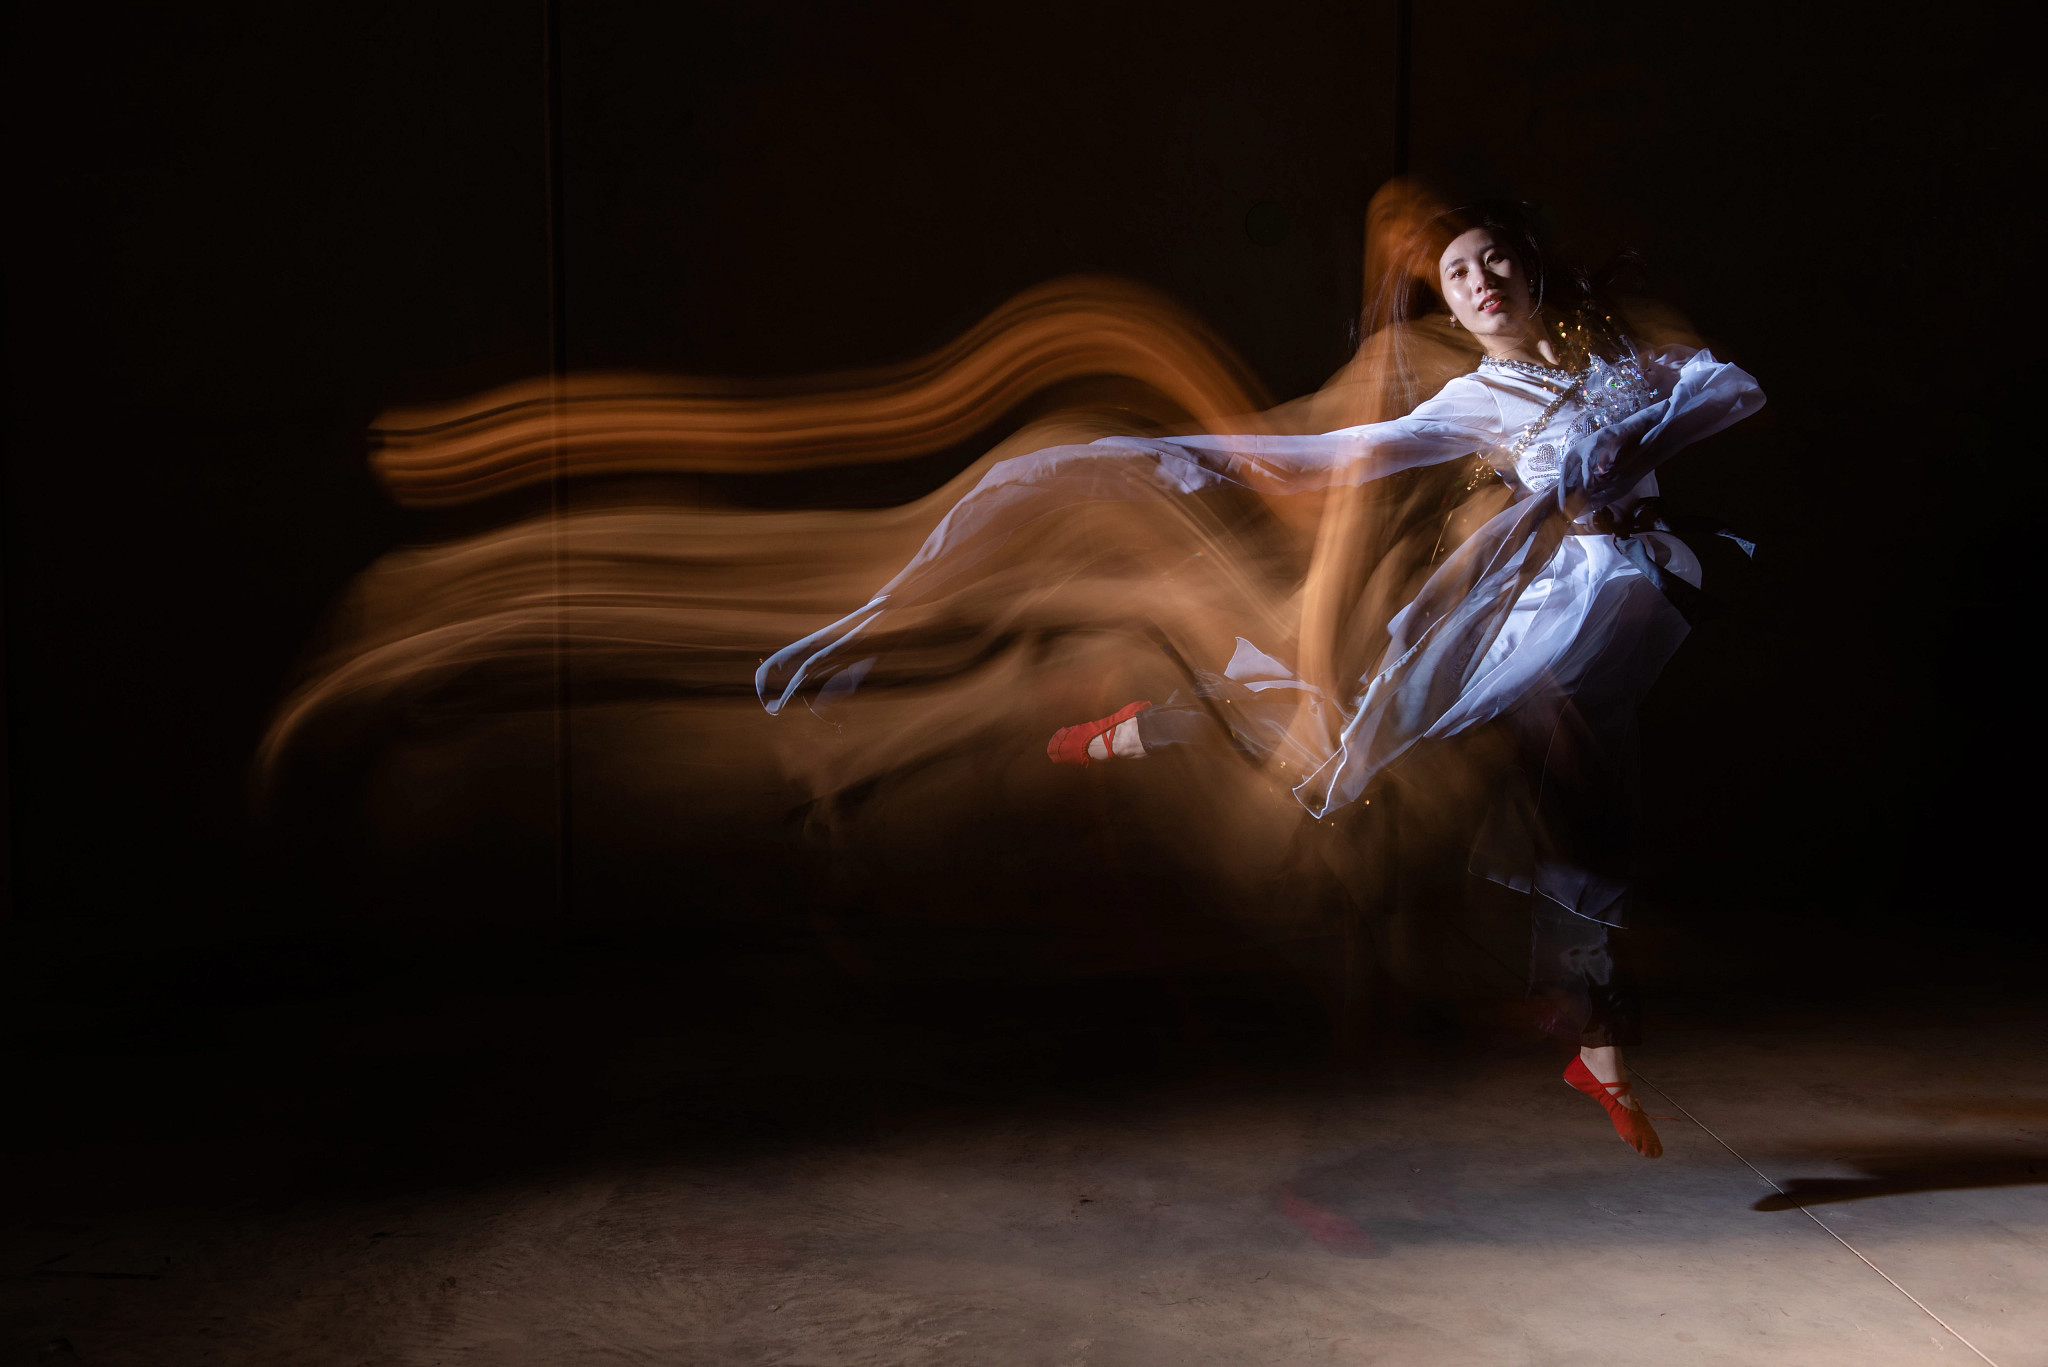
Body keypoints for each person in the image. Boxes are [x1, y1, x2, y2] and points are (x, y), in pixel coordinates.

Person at [760, 200, 1764, 1158]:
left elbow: (1726, 388)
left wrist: (1616, 437)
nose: (1477, 280)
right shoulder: (1471, 398)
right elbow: (1342, 450)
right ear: (1446, 303)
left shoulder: (1616, 348)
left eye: (1491, 256)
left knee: (1586, 780)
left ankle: (1594, 1042)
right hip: (1543, 602)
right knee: (1352, 743)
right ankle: (1147, 724)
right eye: (1454, 273)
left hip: (1625, 586)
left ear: (1529, 260)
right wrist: (1174, 457)